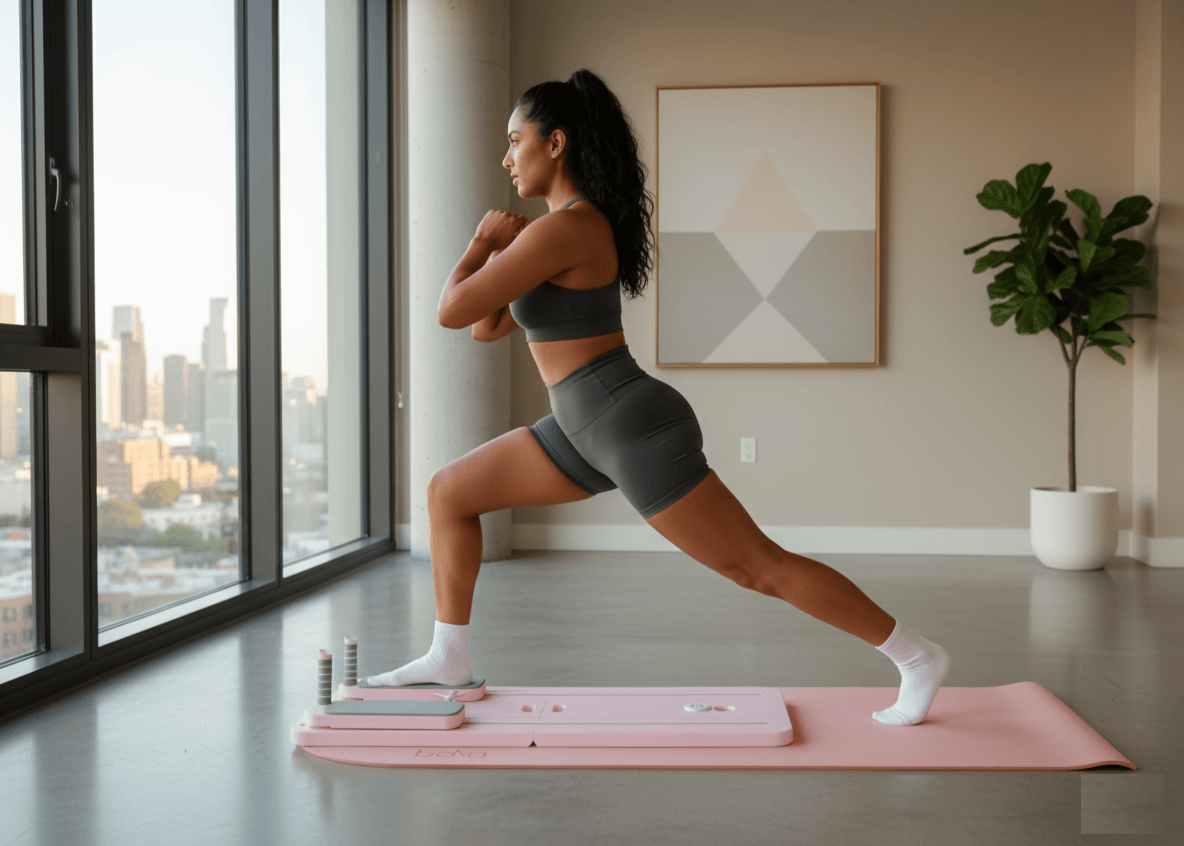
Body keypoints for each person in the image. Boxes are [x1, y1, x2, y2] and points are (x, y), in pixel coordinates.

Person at [367, 69, 949, 726]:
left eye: (514, 140)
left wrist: (480, 244)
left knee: (757, 567)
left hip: (626, 426)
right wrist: (504, 250)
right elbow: (485, 326)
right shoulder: (548, 233)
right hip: (579, 430)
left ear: (554, 143)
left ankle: (916, 656)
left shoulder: (567, 228)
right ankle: (449, 657)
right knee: (449, 493)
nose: (506, 158)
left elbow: (450, 311)